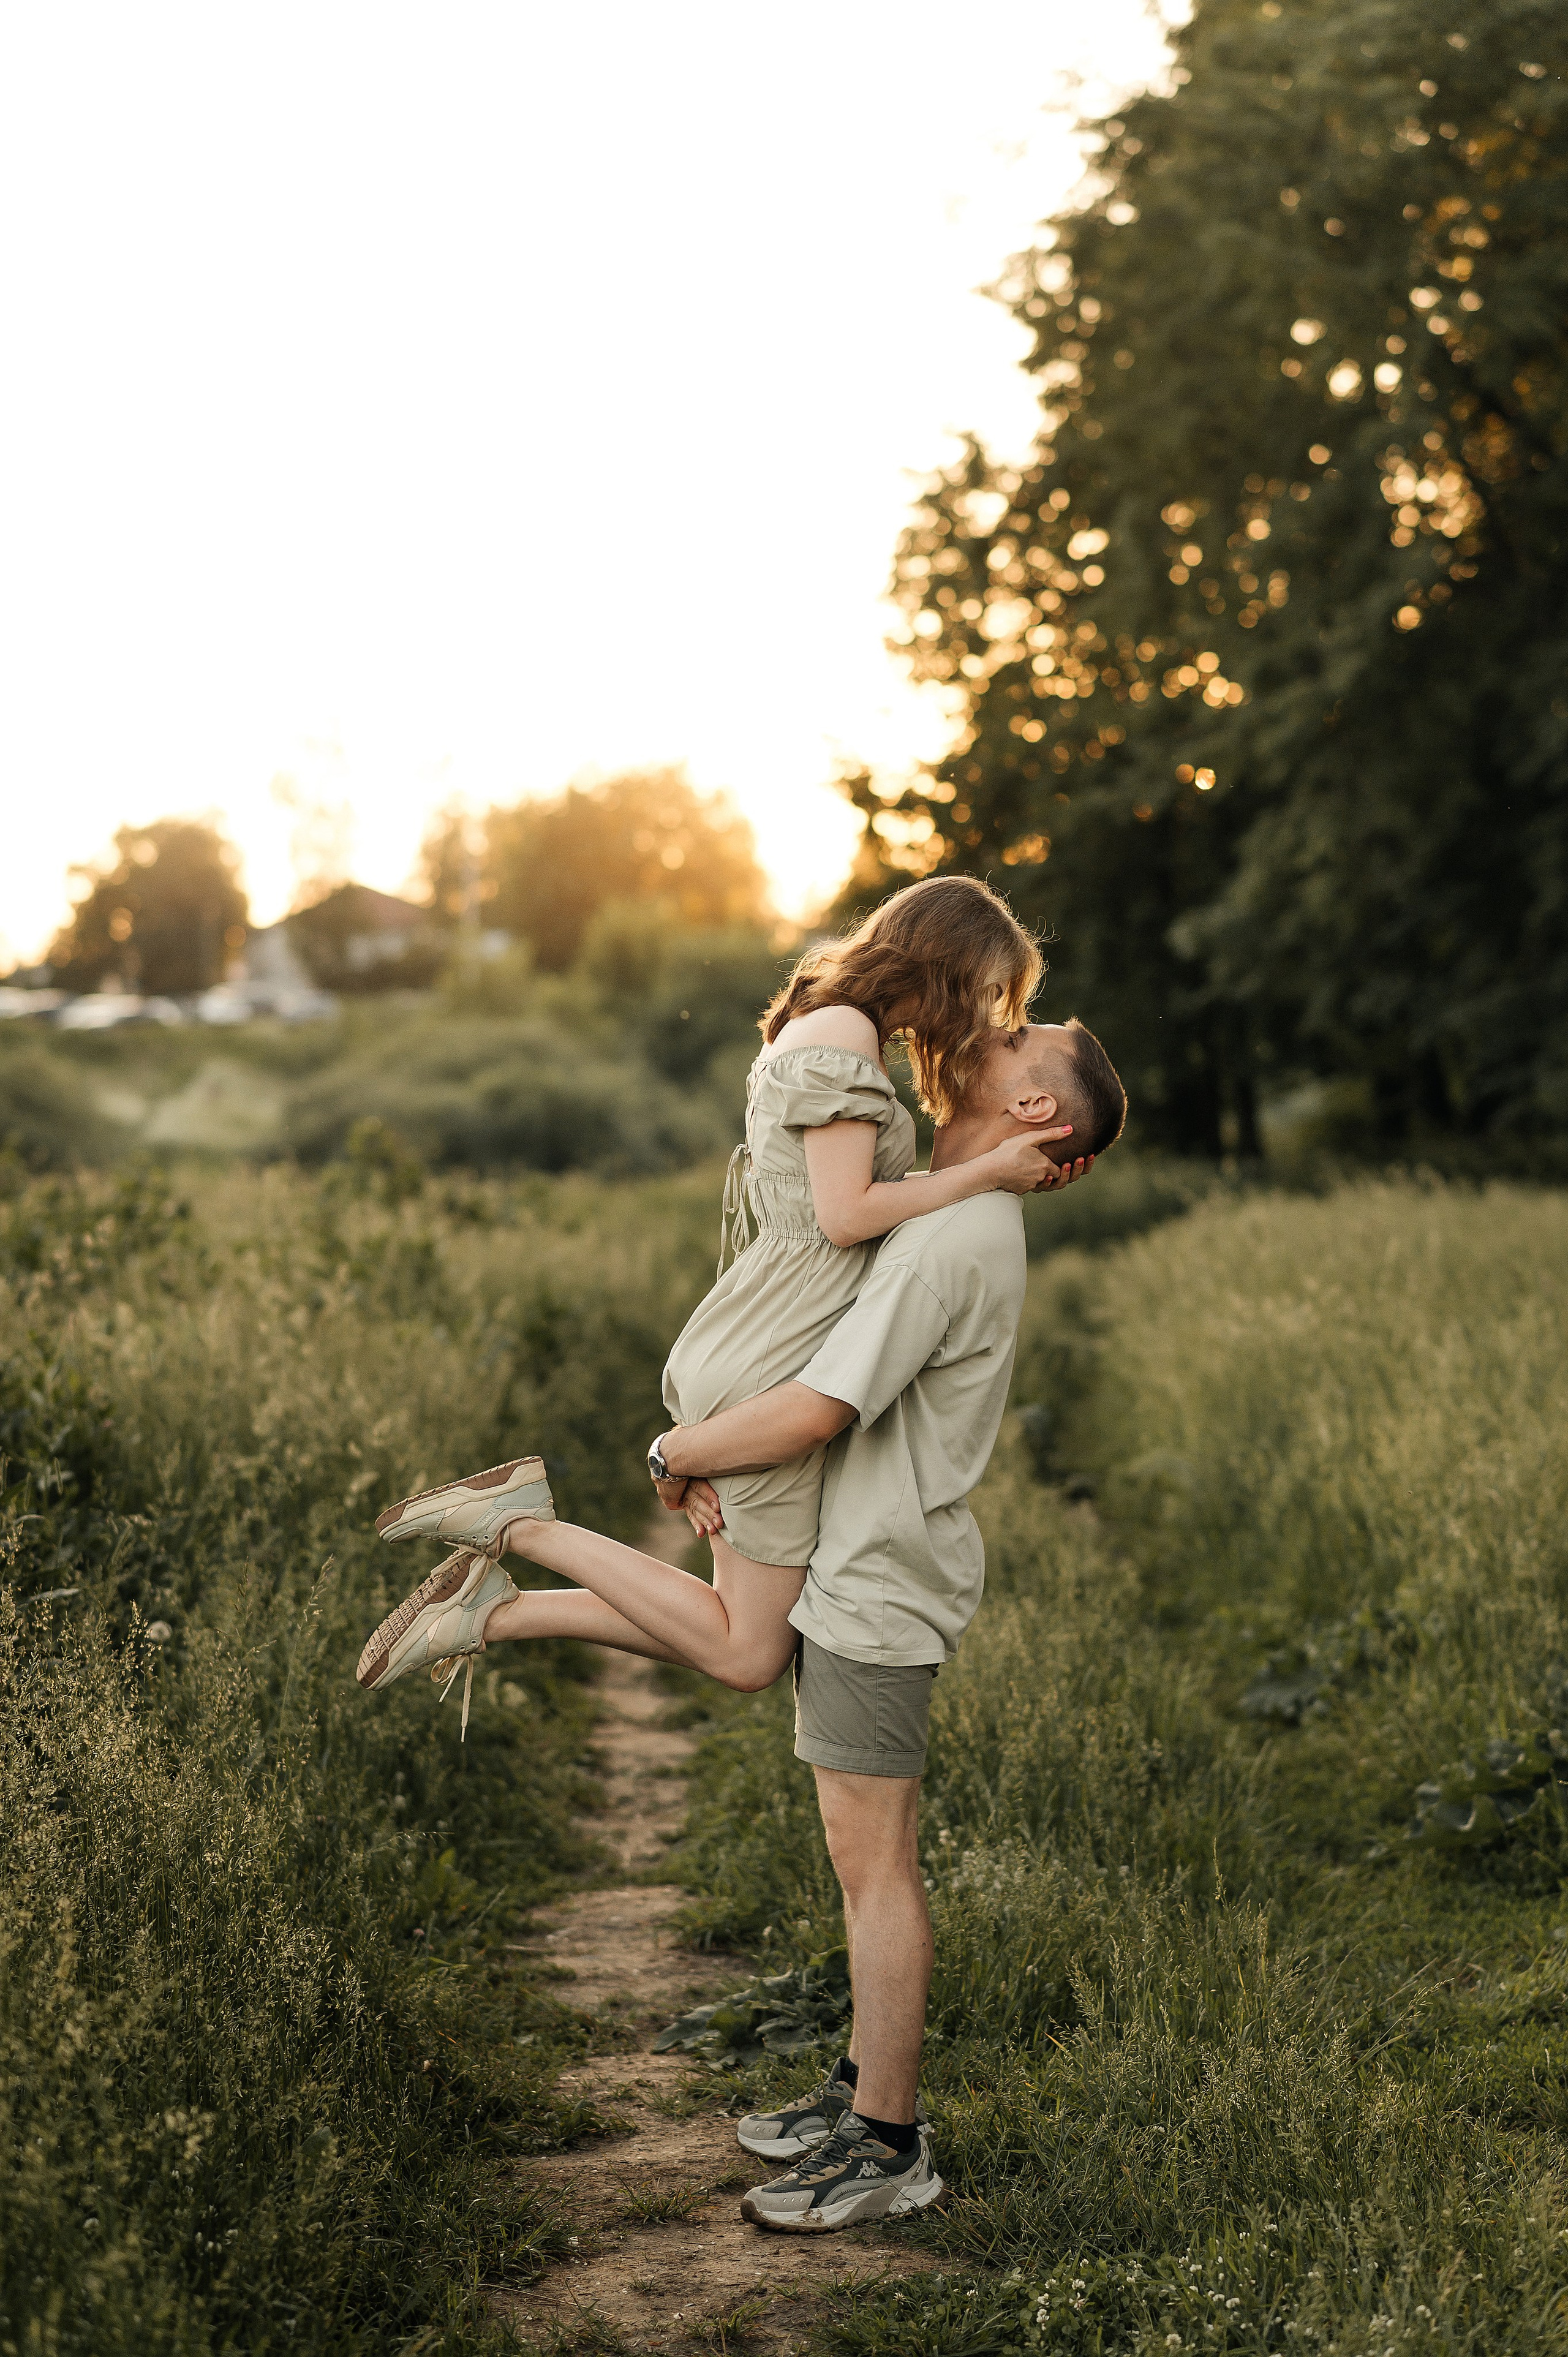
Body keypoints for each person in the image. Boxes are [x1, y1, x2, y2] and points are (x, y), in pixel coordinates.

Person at [355, 1017, 1128, 2233]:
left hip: (880, 1580)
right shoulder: (945, 1205)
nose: (998, 1025)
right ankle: (864, 2098)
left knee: (875, 1869)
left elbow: (821, 1407)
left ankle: (887, 2146)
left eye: (1026, 1035)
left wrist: (676, 1451)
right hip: (860, 1559)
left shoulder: (950, 1238)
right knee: (777, 1708)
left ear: (1038, 1112)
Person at [357, 875, 1074, 1721]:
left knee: (744, 1634)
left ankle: (491, 1610)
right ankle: (518, 1529)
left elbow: (843, 1205)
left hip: (765, 1335)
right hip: (778, 1357)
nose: (993, 1019)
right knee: (747, 1651)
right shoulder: (844, 1033)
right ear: (951, 963)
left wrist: (1000, 1167)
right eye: (993, 991)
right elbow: (848, 1220)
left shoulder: (838, 1025)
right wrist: (989, 1170)